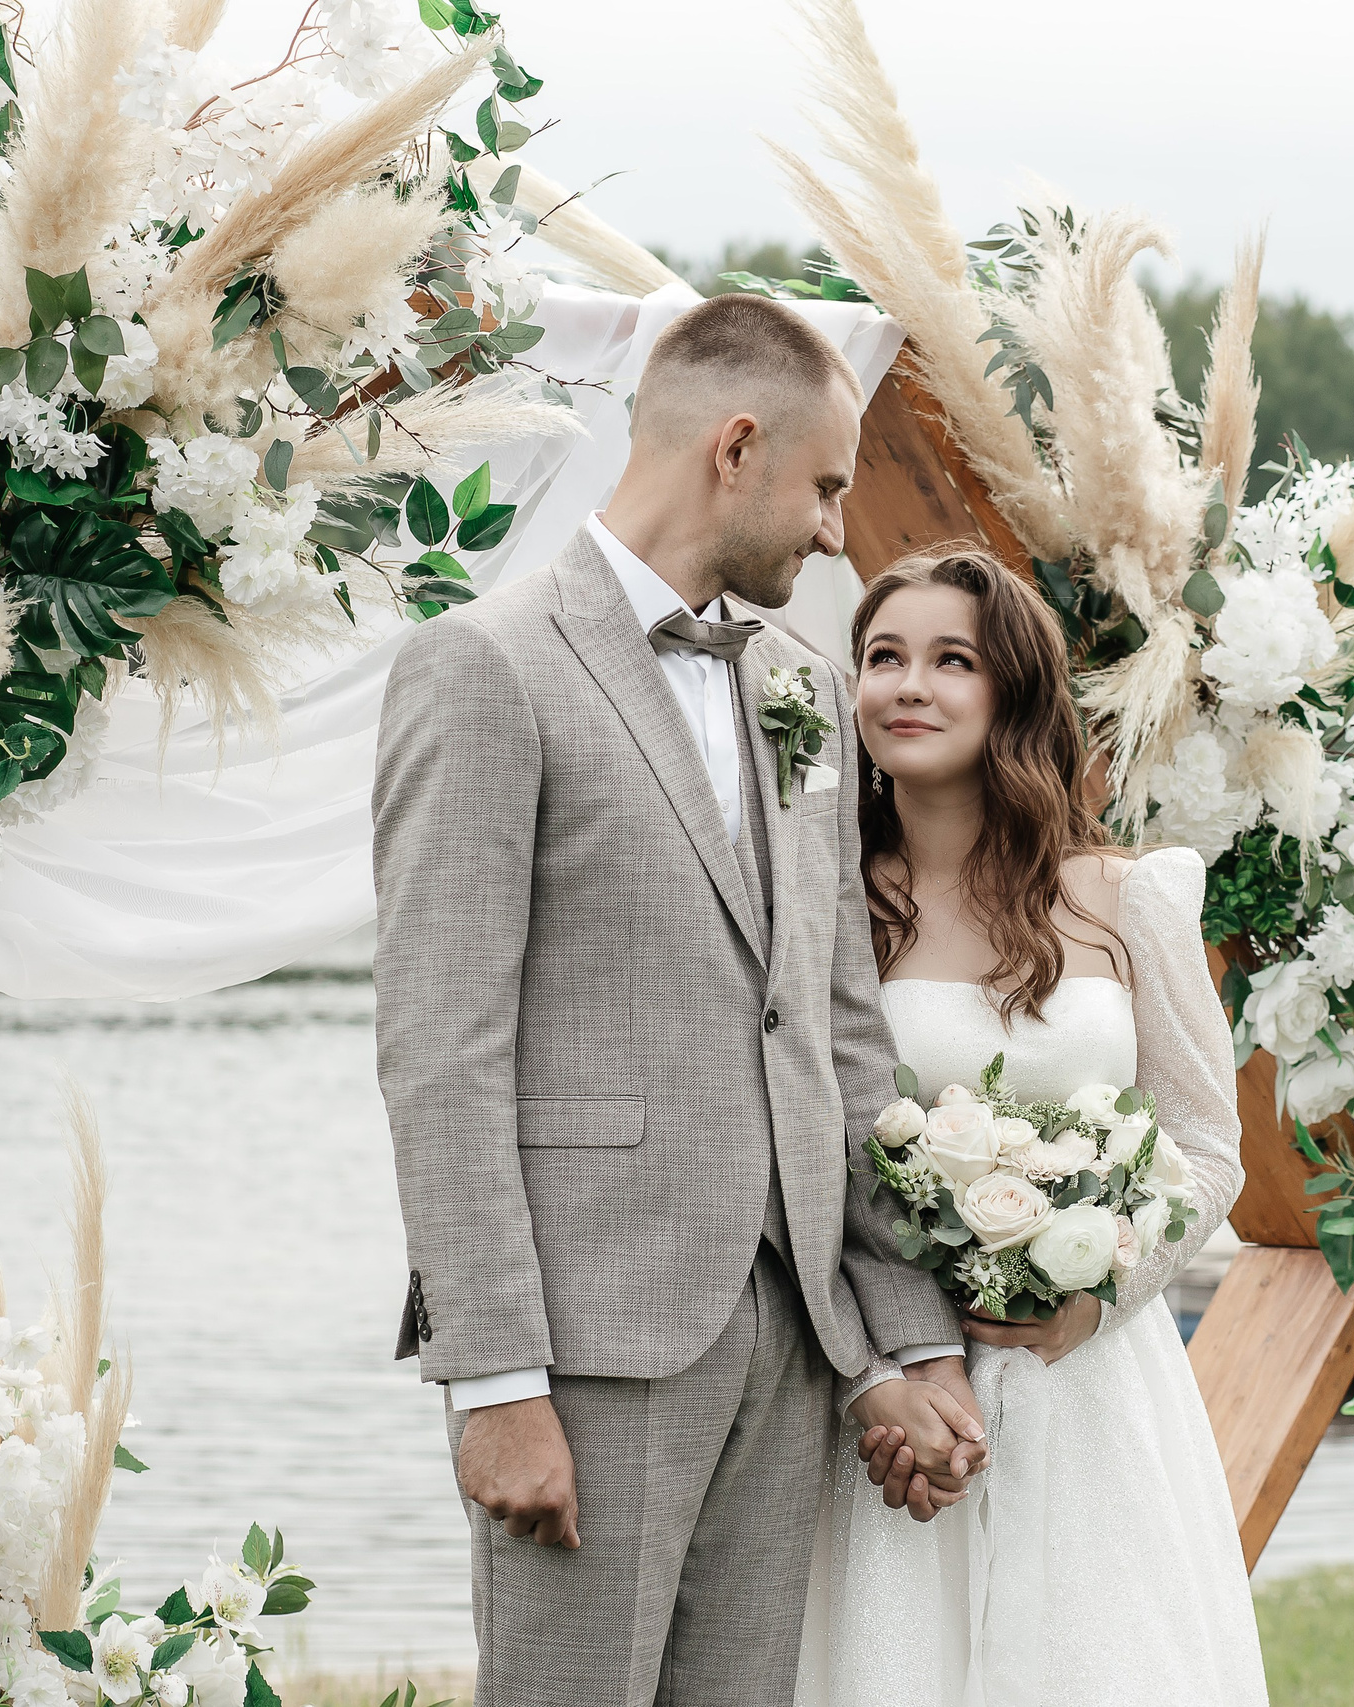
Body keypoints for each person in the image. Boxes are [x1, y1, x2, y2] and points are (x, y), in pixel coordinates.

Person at [370, 293, 992, 1707]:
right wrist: (494, 1379)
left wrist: (909, 1331)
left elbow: (839, 1033)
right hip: (587, 1342)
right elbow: (440, 1052)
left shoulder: (801, 688)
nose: (833, 532)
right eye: (825, 486)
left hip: (791, 1337)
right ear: (735, 447)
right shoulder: (485, 667)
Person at [796, 548, 1270, 1706]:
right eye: (882, 657)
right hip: (893, 1392)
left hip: (1088, 1385)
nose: (908, 685)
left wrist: (1095, 1293)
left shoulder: (1123, 900)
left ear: (1012, 689)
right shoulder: (816, 903)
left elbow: (1208, 1148)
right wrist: (874, 1376)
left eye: (950, 660)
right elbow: (793, 1159)